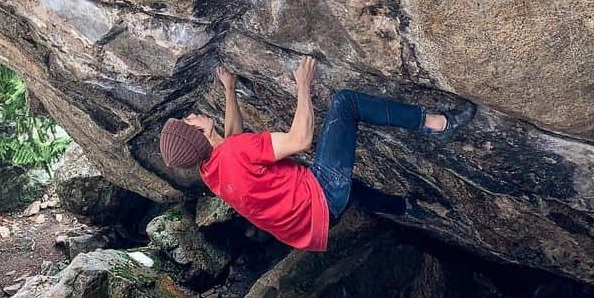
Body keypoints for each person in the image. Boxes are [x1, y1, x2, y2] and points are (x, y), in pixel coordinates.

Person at [158, 57, 474, 252]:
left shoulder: (210, 172)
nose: (193, 115)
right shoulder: (234, 152)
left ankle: (407, 207)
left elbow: (231, 138)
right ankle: (438, 124)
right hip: (321, 194)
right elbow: (300, 140)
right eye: (189, 121)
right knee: (346, 103)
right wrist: (303, 86)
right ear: (197, 134)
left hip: (311, 226)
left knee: (354, 191)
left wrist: (229, 89)